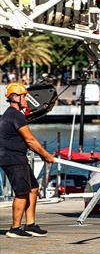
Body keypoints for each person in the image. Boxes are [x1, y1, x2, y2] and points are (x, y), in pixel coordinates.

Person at [0, 83, 55, 238]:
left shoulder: (14, 114)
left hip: (17, 157)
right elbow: (30, 140)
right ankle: (14, 228)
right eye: (24, 96)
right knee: (22, 192)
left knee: (33, 188)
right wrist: (46, 155)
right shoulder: (15, 115)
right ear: (15, 98)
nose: (26, 99)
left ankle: (30, 224)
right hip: (12, 158)